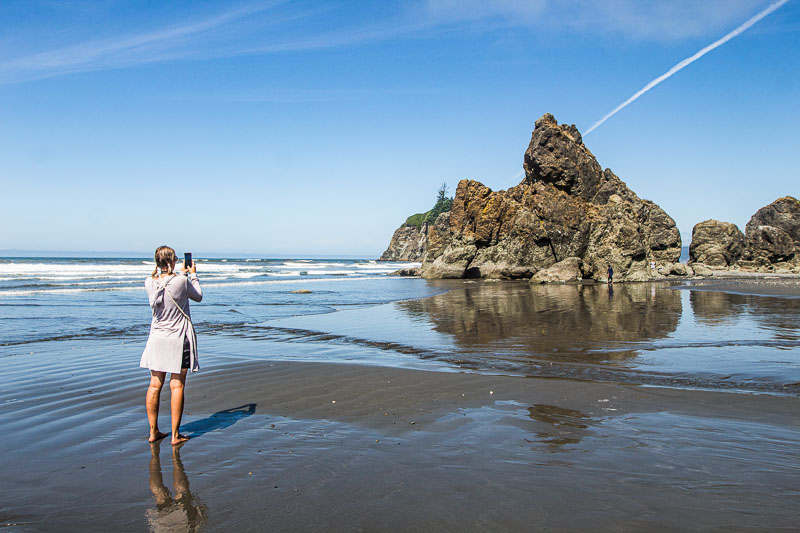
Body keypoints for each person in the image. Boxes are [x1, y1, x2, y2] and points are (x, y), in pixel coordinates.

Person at [141, 246, 202, 445]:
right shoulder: (181, 281)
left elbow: (167, 289)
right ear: (173, 261)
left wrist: (181, 276)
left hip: (157, 338)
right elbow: (198, 296)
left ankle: (153, 431)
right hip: (178, 338)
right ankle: (175, 435)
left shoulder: (149, 281)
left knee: (154, 384)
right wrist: (193, 276)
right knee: (177, 385)